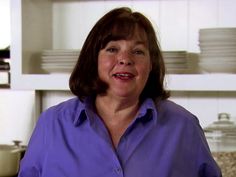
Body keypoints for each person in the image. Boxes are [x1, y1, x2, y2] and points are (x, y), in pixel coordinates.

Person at [18, 7, 222, 177]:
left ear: (151, 65)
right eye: (112, 49)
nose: (125, 59)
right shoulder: (52, 124)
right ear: (93, 59)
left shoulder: (183, 127)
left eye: (138, 51)